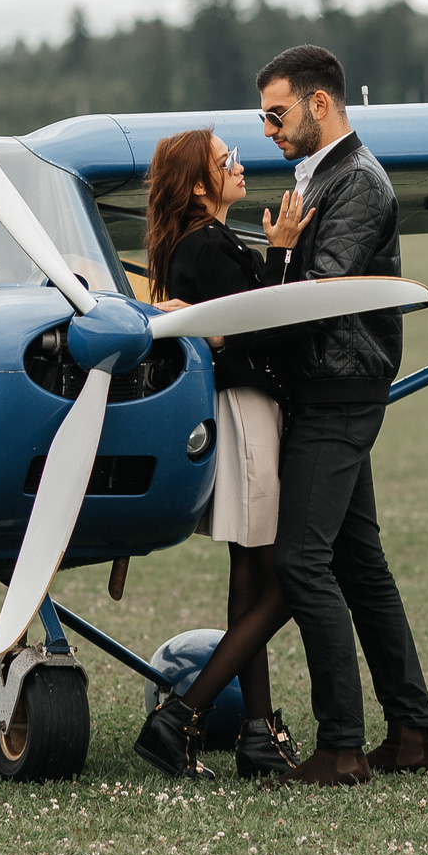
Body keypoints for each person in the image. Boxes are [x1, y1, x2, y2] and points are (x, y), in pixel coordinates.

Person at [252, 44, 428, 786]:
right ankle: (412, 732)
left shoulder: (356, 182)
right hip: (335, 385)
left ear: (319, 103)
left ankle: (340, 746)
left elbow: (320, 290)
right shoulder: (326, 176)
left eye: (276, 113)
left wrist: (279, 258)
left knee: (301, 559)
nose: (267, 129)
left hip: (338, 391)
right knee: (361, 565)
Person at [131, 127, 310, 781]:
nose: (238, 162)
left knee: (254, 570)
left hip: (237, 410)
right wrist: (284, 252)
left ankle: (257, 735)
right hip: (246, 410)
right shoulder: (206, 247)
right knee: (293, 578)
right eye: (224, 158)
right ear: (200, 184)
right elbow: (263, 324)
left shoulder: (202, 244)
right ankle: (182, 714)